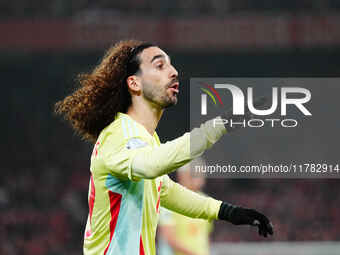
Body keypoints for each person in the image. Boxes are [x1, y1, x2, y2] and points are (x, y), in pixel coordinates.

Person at [55, 40, 273, 255]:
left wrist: (228, 211)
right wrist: (222, 123)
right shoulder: (118, 134)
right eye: (160, 66)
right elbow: (151, 166)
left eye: (171, 65)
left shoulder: (148, 140)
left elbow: (166, 190)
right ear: (134, 83)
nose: (174, 72)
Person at [158, 158, 213, 255]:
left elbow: (205, 236)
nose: (198, 177)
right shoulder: (169, 199)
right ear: (182, 175)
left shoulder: (206, 201)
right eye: (193, 173)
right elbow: (169, 238)